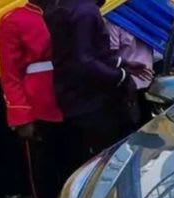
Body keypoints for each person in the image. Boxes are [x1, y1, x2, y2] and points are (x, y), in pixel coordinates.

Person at [0, 0, 72, 198]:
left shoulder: (68, 11)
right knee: (44, 173)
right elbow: (9, 74)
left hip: (70, 98)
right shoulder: (13, 20)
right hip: (38, 104)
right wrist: (22, 116)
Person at [46, 0, 149, 158]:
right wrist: (121, 77)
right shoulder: (86, 11)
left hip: (72, 99)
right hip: (94, 99)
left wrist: (123, 63)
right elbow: (86, 60)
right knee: (114, 156)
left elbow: (80, 55)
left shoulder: (60, 7)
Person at [106, 21, 156, 126]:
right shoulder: (115, 22)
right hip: (134, 81)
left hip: (140, 79)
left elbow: (109, 56)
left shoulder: (114, 23)